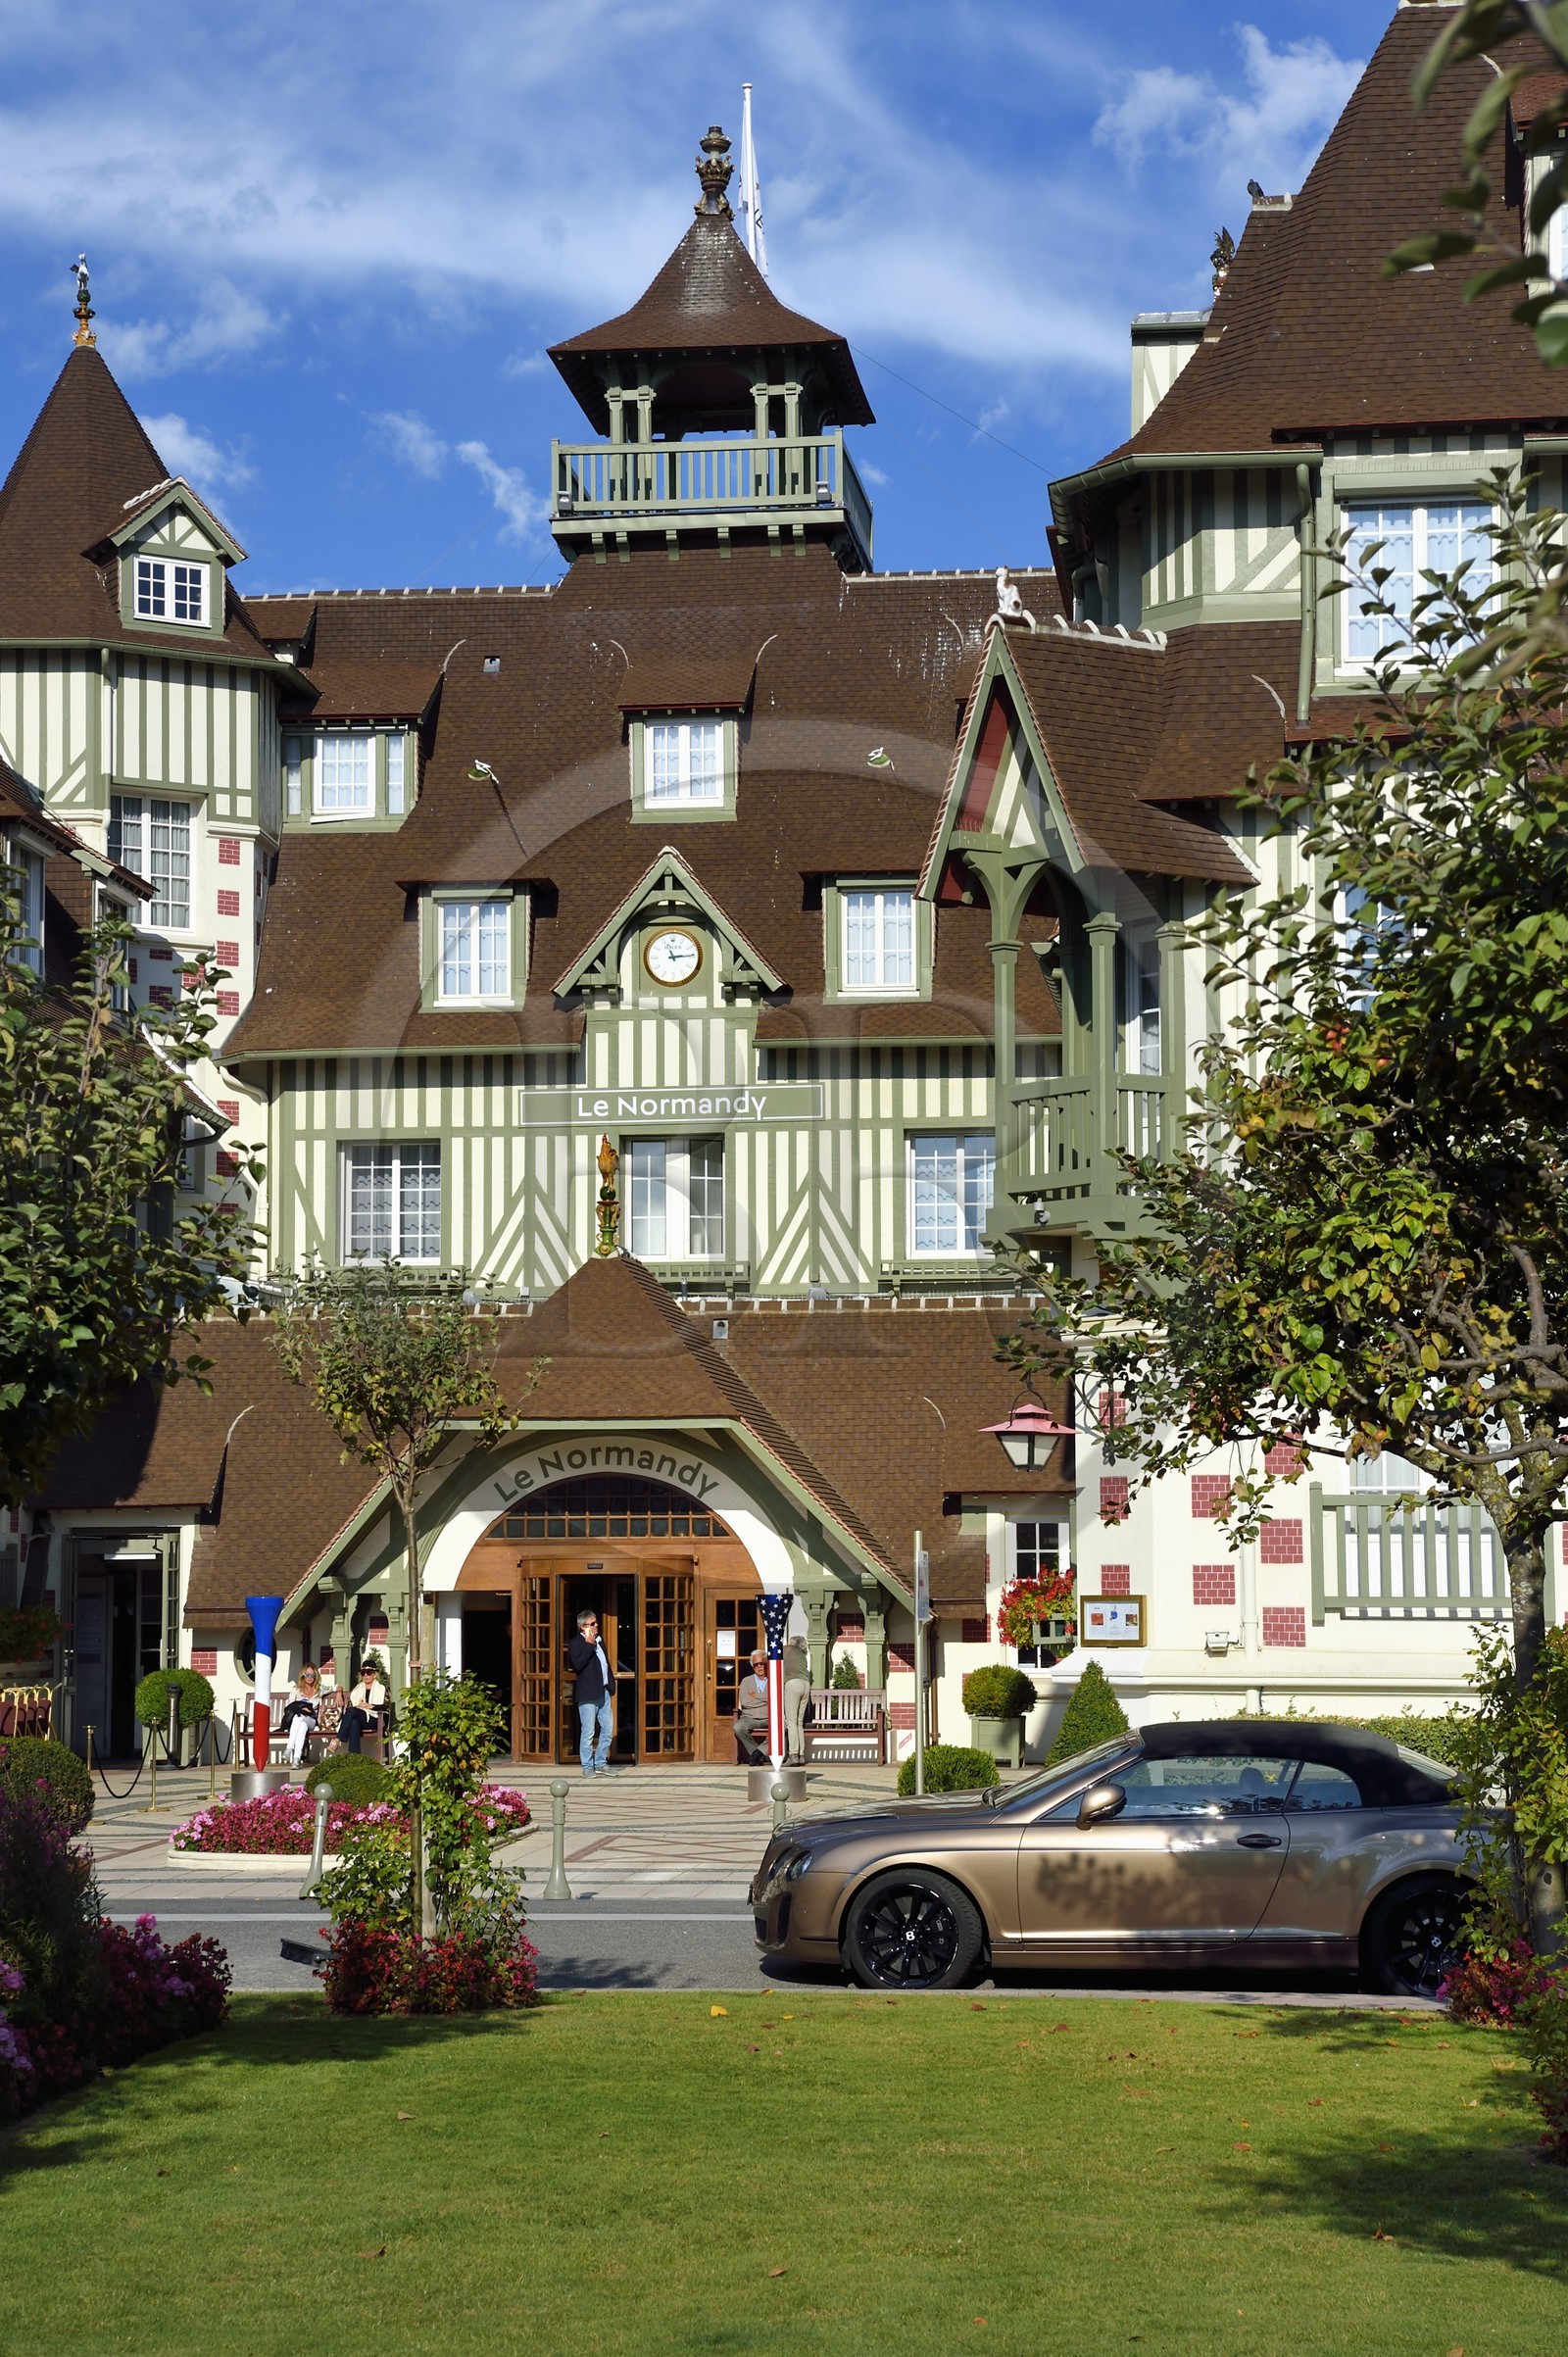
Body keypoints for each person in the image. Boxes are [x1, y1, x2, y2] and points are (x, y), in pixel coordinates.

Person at [568, 1608, 615, 1775]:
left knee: (608, 1729)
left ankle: (601, 1762)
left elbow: (605, 1664)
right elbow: (578, 1665)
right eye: (592, 1623)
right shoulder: (576, 1643)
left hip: (603, 1691)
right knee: (588, 1732)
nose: (597, 1625)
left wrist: (610, 1684)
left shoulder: (600, 1641)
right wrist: (589, 1645)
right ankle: (587, 1767)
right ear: (583, 1627)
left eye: (596, 1622)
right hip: (588, 1694)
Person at [339, 1653, 388, 1756]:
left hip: (374, 1718)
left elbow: (386, 1707)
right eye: (363, 1673)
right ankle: (355, 1757)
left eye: (369, 1672)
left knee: (352, 1711)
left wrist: (372, 1706)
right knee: (354, 1722)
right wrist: (359, 1707)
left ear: (374, 1674)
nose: (365, 1675)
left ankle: (339, 1737)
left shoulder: (381, 1689)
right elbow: (350, 1707)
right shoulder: (358, 1689)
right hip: (361, 1718)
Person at [280, 1663, 322, 1767]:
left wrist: (339, 1693)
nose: (310, 1678)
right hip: (298, 1721)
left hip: (312, 1721)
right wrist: (301, 1708)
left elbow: (337, 1687)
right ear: (303, 1675)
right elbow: (290, 1707)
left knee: (300, 1718)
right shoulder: (296, 1690)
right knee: (301, 1723)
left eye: (312, 1675)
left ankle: (289, 1748)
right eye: (307, 1675)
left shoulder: (320, 1689)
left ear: (315, 1676)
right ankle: (296, 1759)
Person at [733, 1649, 770, 1765]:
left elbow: (776, 1699)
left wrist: (755, 1695)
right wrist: (766, 1700)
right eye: (756, 1664)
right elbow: (745, 1702)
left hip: (768, 1717)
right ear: (752, 1666)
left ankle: (759, 1752)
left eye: (762, 1664)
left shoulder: (773, 1680)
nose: (759, 1667)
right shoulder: (746, 1681)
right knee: (738, 1727)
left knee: (784, 1727)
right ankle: (756, 1753)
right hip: (749, 1717)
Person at [781, 1633, 810, 1767]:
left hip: (792, 1684)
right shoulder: (803, 1656)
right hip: (805, 1684)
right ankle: (801, 1755)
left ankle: (793, 1755)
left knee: (791, 1722)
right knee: (799, 1722)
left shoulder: (786, 1649)